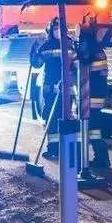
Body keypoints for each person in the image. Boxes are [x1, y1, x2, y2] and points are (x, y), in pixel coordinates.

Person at [30, 17, 71, 161]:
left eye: (60, 28)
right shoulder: (46, 46)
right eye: (55, 29)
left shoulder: (71, 45)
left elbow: (77, 66)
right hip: (50, 89)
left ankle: (65, 148)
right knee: (50, 118)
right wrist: (33, 53)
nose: (58, 31)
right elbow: (37, 64)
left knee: (65, 118)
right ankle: (53, 149)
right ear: (50, 30)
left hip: (66, 89)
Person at [78, 19, 111, 169]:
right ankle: (100, 158)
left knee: (92, 128)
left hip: (91, 94)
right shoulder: (96, 46)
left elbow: (83, 63)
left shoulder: (88, 46)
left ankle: (101, 159)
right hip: (97, 92)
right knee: (93, 127)